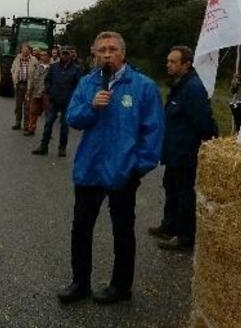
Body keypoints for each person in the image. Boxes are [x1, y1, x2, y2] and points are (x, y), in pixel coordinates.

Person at [58, 31, 164, 305]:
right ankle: (79, 282)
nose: (107, 54)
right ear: (94, 53)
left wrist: (137, 168)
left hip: (123, 171)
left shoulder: (143, 86)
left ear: (123, 53)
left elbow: (153, 133)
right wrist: (92, 107)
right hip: (90, 169)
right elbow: (72, 118)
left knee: (123, 230)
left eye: (113, 49)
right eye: (102, 50)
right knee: (81, 228)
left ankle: (121, 286)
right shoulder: (87, 83)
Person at [150, 46, 218, 251]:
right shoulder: (179, 85)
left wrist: (210, 144)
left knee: (184, 194)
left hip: (186, 151)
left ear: (186, 64)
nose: (168, 64)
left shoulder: (193, 88)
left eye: (173, 62)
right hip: (174, 150)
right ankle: (169, 226)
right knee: (170, 188)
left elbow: (204, 120)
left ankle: (185, 236)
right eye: (168, 61)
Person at [32, 47, 81, 156]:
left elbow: (78, 85)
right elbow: (47, 80)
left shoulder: (76, 69)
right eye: (63, 54)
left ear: (70, 55)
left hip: (67, 101)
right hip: (53, 100)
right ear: (60, 55)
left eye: (67, 54)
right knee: (48, 123)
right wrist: (49, 91)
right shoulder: (53, 67)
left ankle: (62, 148)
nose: (65, 56)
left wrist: (73, 97)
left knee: (64, 125)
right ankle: (43, 146)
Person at [10, 43, 37, 131]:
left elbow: (37, 72)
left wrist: (33, 83)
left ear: (29, 51)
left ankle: (26, 124)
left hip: (28, 86)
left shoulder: (34, 60)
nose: (25, 51)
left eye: (27, 49)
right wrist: (15, 77)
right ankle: (18, 122)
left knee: (27, 107)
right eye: (23, 49)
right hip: (19, 84)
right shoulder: (17, 59)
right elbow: (12, 69)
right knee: (18, 105)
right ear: (21, 50)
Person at [25, 50, 51, 136]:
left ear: (48, 57)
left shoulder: (52, 68)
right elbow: (31, 79)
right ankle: (31, 128)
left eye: (44, 55)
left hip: (46, 93)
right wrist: (29, 91)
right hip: (36, 92)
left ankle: (47, 132)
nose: (42, 57)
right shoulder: (36, 66)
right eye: (41, 55)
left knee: (48, 113)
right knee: (33, 112)